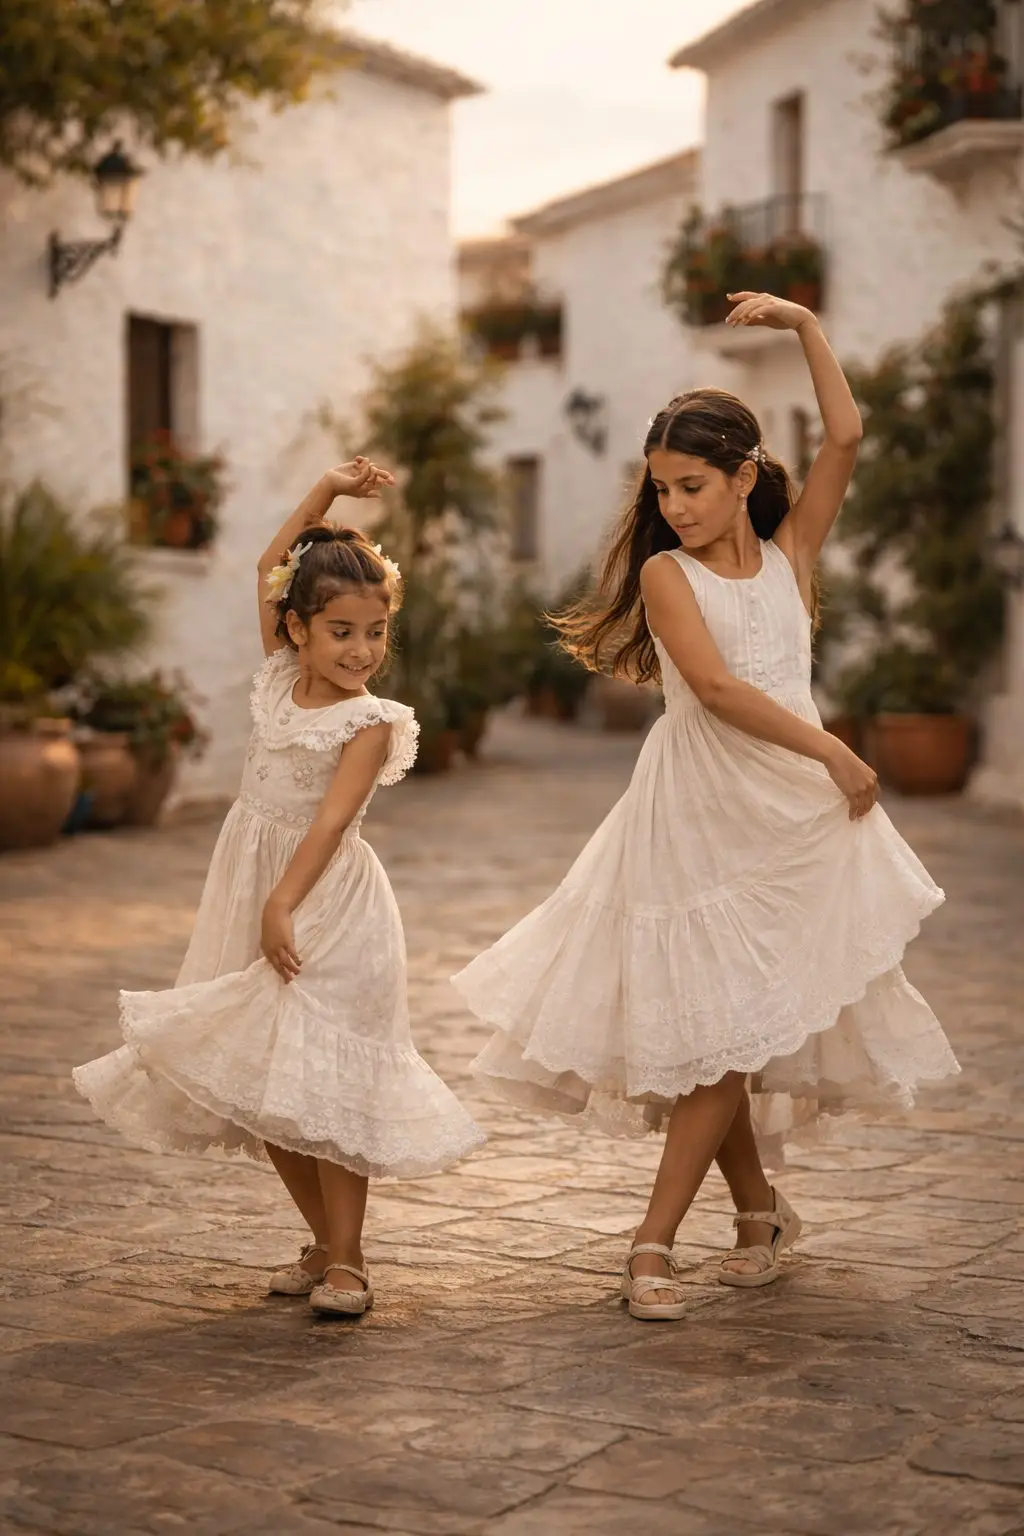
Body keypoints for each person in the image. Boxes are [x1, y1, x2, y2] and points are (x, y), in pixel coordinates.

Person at [451, 293, 958, 1321]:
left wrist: (807, 328)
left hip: (792, 827)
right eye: (661, 488)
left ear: (742, 478)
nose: (674, 504)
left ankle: (743, 1219)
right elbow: (722, 693)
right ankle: (665, 1243)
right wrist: (835, 749)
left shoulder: (790, 559)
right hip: (695, 817)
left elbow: (847, 433)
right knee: (715, 1035)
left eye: (691, 485)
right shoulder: (665, 574)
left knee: (730, 1032)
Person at [75, 460, 484, 1317]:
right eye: (341, 631)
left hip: (327, 902)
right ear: (295, 629)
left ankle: (351, 1263)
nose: (361, 651)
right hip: (253, 887)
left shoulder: (370, 722)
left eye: (375, 632)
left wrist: (282, 903)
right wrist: (325, 492)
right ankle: (326, 1243)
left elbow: (331, 823)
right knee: (265, 1088)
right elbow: (272, 562)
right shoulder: (274, 678)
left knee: (329, 1087)